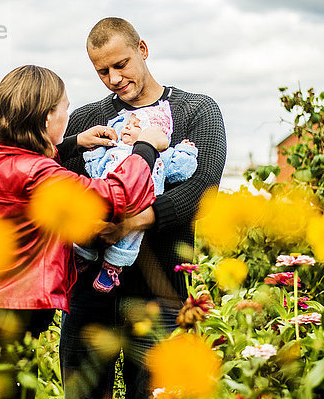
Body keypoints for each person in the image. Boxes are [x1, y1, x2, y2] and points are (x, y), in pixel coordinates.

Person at [0, 64, 168, 399]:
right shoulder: (40, 173)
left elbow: (25, 171)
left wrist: (74, 142)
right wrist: (145, 147)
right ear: (47, 118)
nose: (67, 115)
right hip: (5, 329)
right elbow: (117, 196)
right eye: (65, 109)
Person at [60, 17, 227, 399]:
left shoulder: (196, 110)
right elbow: (59, 184)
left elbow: (204, 190)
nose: (114, 78)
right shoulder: (88, 119)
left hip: (162, 293)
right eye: (102, 71)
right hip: (89, 293)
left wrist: (133, 222)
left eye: (121, 65)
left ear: (143, 50)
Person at [73, 101, 199, 293]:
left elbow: (182, 169)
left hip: (139, 206)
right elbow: (96, 169)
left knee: (131, 236)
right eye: (128, 123)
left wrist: (186, 151)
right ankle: (83, 254)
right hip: (106, 198)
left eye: (137, 125)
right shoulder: (114, 150)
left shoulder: (160, 156)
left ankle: (113, 267)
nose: (128, 127)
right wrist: (93, 152)